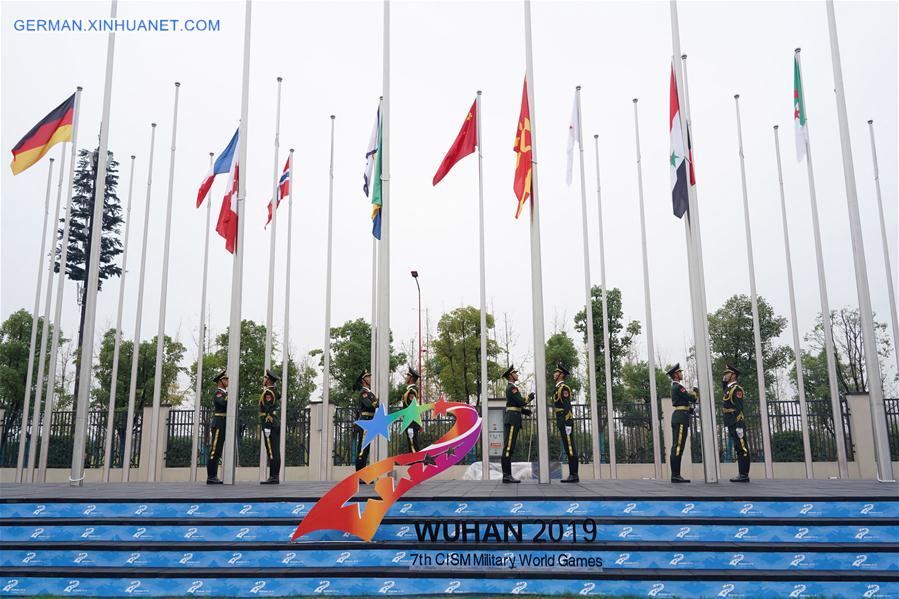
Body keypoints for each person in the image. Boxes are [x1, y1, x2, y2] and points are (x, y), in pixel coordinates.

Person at [500, 365, 532, 484]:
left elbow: (513, 405)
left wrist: (524, 411)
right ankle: (507, 475)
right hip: (513, 420)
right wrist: (530, 397)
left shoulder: (512, 388)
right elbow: (520, 402)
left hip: (513, 418)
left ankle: (507, 475)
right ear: (510, 376)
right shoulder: (512, 388)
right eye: (515, 373)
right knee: (508, 448)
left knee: (509, 448)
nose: (517, 375)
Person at [666, 363, 697, 483]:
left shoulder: (677, 388)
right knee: (678, 446)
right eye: (680, 372)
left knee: (678, 446)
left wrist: (691, 410)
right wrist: (696, 390)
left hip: (681, 416)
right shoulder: (678, 387)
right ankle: (675, 475)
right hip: (680, 418)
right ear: (676, 375)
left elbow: (683, 403)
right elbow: (692, 397)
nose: (681, 374)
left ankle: (676, 474)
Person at [722, 364, 750, 483]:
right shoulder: (729, 388)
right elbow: (724, 389)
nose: (725, 375)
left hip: (737, 421)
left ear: (733, 376)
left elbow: (739, 408)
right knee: (738, 448)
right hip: (730, 421)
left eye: (727, 373)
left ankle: (744, 474)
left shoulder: (737, 389)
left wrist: (739, 425)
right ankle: (741, 473)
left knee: (742, 448)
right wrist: (723, 380)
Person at [552, 363, 579, 483]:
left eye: (556, 372)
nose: (554, 374)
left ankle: (574, 474)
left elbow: (567, 406)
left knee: (570, 447)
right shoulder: (558, 388)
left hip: (564, 419)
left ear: (561, 375)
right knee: (567, 447)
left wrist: (568, 424)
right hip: (560, 419)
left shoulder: (564, 388)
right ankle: (572, 474)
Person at [206, 370, 229, 484]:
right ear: (220, 381)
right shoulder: (218, 393)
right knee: (214, 450)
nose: (227, 381)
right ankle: (211, 476)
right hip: (219, 423)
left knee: (218, 450)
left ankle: (214, 476)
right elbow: (223, 404)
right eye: (225, 379)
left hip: (223, 423)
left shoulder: (225, 393)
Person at [353, 370, 379, 471]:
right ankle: (360, 474)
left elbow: (375, 404)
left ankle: (362, 473)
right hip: (365, 422)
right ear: (363, 380)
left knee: (366, 449)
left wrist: (375, 403)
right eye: (368, 377)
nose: (370, 378)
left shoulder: (369, 393)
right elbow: (369, 405)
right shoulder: (364, 392)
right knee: (362, 449)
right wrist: (375, 402)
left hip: (370, 421)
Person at [259, 369, 281, 485]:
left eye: (265, 378)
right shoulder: (273, 391)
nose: (263, 380)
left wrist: (267, 426)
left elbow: (268, 410)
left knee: (272, 450)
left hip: (270, 424)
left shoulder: (268, 393)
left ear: (268, 380)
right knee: (275, 450)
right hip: (275, 423)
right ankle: (275, 475)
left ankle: (273, 476)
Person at [400, 367, 421, 453]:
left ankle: (416, 463)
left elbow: (412, 409)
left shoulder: (411, 391)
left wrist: (411, 425)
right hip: (409, 421)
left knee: (413, 445)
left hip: (411, 422)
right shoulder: (409, 390)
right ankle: (415, 462)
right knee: (411, 443)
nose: (406, 378)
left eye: (408, 376)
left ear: (411, 378)